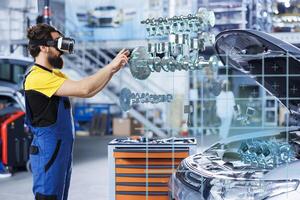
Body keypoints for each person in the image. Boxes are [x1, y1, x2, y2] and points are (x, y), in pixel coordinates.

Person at [24, 23, 129, 200]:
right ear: (43, 47)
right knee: (48, 197)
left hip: (60, 150)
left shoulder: (54, 75)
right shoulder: (37, 77)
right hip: (48, 151)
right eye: (56, 42)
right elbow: (84, 88)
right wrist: (110, 66)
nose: (61, 48)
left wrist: (113, 71)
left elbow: (90, 91)